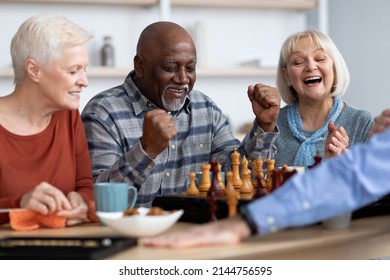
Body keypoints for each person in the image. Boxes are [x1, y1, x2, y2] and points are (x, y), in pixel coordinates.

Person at [81, 21, 280, 206]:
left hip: (194, 233)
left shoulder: (205, 109)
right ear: (140, 65)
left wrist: (264, 127)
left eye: (191, 68)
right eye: (170, 67)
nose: (183, 79)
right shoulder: (103, 113)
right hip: (129, 236)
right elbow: (97, 200)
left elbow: (238, 178)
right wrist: (146, 150)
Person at [142, 110, 390, 248]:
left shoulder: (359, 121)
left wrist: (241, 224)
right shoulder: (276, 119)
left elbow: (354, 176)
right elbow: (356, 174)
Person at [0, 15, 95, 226]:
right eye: (73, 71)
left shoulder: (69, 116)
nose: (84, 81)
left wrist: (80, 201)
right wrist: (20, 204)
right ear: (34, 70)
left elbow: (85, 185)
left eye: (84, 69)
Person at [262, 29, 373, 167]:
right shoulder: (271, 124)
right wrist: (263, 129)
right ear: (287, 76)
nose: (311, 66)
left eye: (320, 59)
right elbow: (247, 177)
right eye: (298, 62)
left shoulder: (361, 122)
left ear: (334, 68)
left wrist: (342, 167)